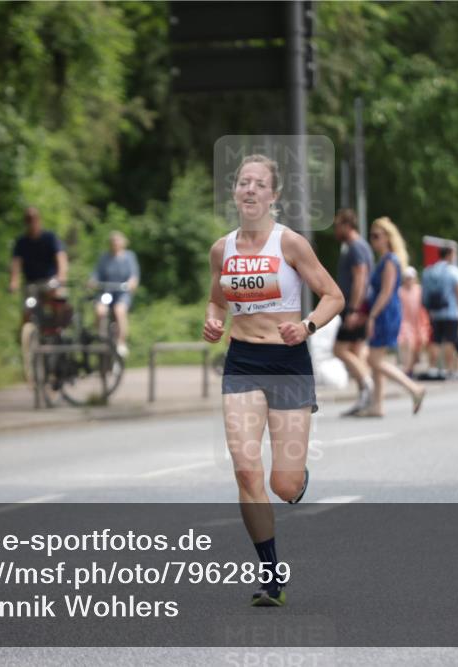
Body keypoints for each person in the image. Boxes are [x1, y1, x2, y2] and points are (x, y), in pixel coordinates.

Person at [203, 154, 344, 607]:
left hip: (287, 362)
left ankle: (297, 476)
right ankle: (270, 575)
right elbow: (215, 303)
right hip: (242, 361)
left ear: (273, 196)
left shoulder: (291, 245)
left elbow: (333, 296)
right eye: (243, 182)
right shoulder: (221, 250)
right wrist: (211, 322)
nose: (249, 190)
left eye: (259, 184)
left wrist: (307, 326)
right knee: (246, 471)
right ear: (234, 192)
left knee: (283, 486)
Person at [357, 217, 426, 418]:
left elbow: (386, 292)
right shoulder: (386, 259)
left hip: (385, 313)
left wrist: (371, 316)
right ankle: (377, 406)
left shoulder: (390, 260)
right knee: (375, 358)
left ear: (388, 237)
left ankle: (414, 388)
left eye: (377, 236)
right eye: (371, 236)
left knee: (374, 360)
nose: (373, 240)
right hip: (384, 311)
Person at [331, 208, 375, 415]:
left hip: (356, 308)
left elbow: (361, 277)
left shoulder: (355, 247)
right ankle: (365, 400)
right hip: (361, 308)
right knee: (357, 351)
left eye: (337, 225)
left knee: (339, 350)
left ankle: (367, 384)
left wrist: (353, 310)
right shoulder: (358, 246)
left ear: (347, 226)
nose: (335, 230)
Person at [90, 231, 140, 358]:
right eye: (113, 241)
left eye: (117, 241)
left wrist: (132, 283)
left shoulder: (129, 256)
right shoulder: (104, 257)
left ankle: (121, 341)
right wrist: (92, 282)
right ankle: (99, 337)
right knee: (100, 310)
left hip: (122, 292)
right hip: (107, 292)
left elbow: (134, 275)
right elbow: (96, 274)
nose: (115, 244)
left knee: (119, 311)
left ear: (123, 243)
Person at [422, 246, 458, 376]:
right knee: (449, 340)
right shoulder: (453, 271)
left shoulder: (428, 271)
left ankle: (433, 368)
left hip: (434, 312)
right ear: (449, 255)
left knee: (435, 340)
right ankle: (449, 369)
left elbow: (424, 294)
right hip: (451, 311)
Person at [9, 207, 68, 293]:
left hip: (51, 281)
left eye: (34, 219)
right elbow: (16, 263)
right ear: (25, 222)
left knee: (59, 299)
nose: (32, 222)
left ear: (39, 219)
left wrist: (62, 276)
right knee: (29, 304)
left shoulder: (50, 238)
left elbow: (61, 257)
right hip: (31, 284)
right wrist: (14, 281)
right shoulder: (21, 242)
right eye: (28, 220)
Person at [397, 265, 430, 378]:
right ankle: (407, 369)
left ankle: (411, 367)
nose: (409, 280)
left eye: (411, 278)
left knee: (417, 346)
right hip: (405, 322)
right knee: (407, 344)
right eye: (407, 278)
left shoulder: (419, 290)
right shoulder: (400, 291)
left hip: (418, 321)